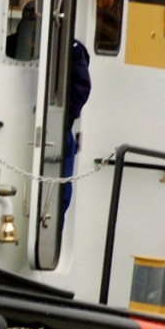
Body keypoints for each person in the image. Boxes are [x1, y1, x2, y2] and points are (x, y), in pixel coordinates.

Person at [61, 38, 91, 220]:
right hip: (59, 129)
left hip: (59, 130)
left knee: (61, 195)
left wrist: (65, 119)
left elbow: (81, 88)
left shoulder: (71, 49)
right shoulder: (71, 48)